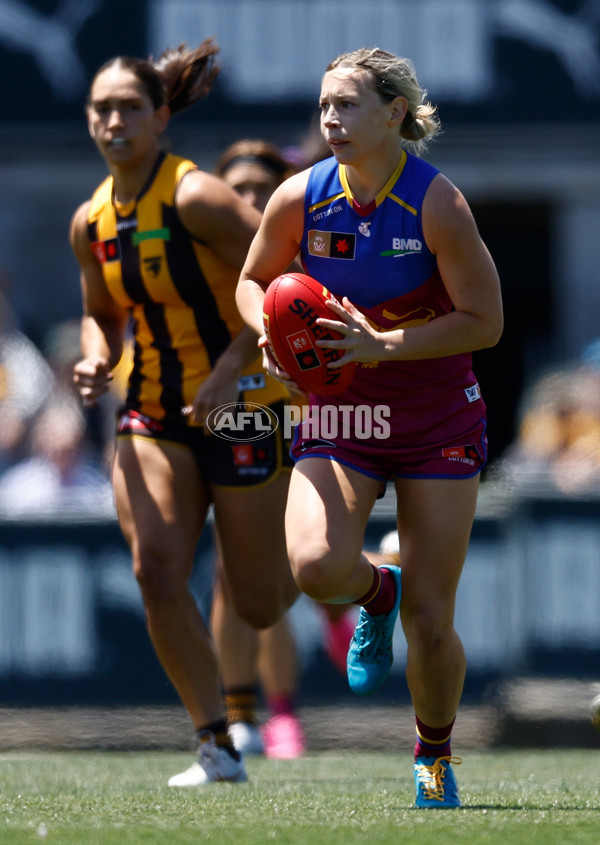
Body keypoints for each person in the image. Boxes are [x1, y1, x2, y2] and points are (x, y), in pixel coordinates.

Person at [236, 47, 503, 808]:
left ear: (395, 113)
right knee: (316, 567)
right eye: (324, 105)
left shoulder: (437, 204)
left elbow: (486, 321)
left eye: (348, 104)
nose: (331, 119)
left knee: (433, 616)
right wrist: (268, 334)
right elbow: (254, 281)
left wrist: (384, 343)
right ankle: (372, 592)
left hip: (436, 417)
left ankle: (433, 753)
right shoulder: (301, 196)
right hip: (344, 414)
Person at [70, 40, 297, 787]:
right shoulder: (91, 222)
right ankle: (216, 743)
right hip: (154, 413)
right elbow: (101, 311)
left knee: (260, 603)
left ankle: (367, 575)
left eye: (130, 107)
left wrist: (234, 367)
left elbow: (281, 278)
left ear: (161, 116)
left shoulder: (197, 197)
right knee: (156, 568)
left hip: (241, 409)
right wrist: (97, 354)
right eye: (102, 109)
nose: (114, 121)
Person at [212, 139, 355, 759]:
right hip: (231, 419)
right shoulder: (196, 259)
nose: (245, 201)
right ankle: (255, 713)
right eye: (234, 189)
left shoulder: (307, 260)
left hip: (300, 418)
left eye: (258, 191)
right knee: (237, 569)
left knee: (290, 562)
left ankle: (346, 593)